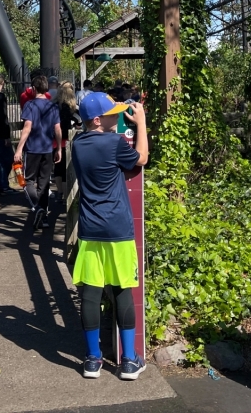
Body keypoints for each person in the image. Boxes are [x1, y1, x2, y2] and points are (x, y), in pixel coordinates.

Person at [71, 92, 148, 380]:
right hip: (117, 229)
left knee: (90, 295)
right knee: (121, 292)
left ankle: (93, 360)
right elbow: (141, 158)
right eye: (111, 114)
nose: (117, 116)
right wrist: (140, 123)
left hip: (90, 230)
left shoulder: (78, 144)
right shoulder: (115, 144)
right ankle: (128, 361)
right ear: (96, 120)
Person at [13, 75, 61, 230]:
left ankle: (37, 206)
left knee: (28, 181)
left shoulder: (30, 105)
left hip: (33, 148)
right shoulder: (53, 106)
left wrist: (19, 148)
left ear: (33, 89)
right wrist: (59, 148)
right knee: (44, 183)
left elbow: (27, 127)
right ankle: (44, 216)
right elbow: (58, 129)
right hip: (48, 148)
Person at [54, 81, 80, 203]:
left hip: (55, 140)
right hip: (68, 140)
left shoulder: (54, 105)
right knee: (66, 168)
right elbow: (79, 122)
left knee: (58, 168)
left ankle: (59, 192)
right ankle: (66, 195)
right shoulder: (73, 108)